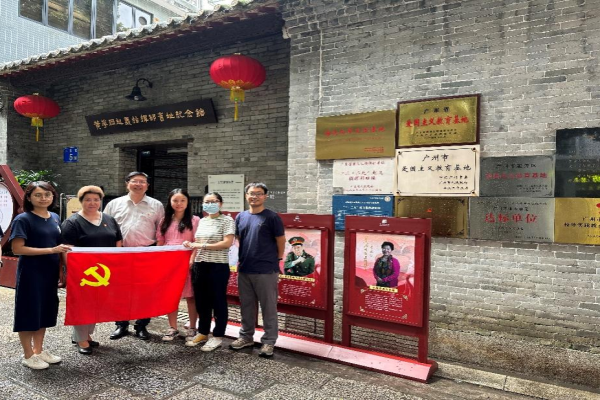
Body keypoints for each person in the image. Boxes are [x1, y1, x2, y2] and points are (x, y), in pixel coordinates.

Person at [10, 181, 72, 370]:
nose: (43, 198)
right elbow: (17, 249)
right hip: (31, 272)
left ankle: (39, 350)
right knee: (28, 311)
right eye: (38, 195)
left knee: (44, 310)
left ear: (53, 197)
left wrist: (64, 268)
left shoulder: (54, 217)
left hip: (49, 272)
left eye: (47, 194)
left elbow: (60, 246)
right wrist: (51, 250)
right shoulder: (23, 219)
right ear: (29, 197)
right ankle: (28, 355)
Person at [61, 186, 122, 355]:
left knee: (96, 304)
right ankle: (80, 338)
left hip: (104, 272)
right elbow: (67, 249)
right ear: (81, 201)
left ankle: (86, 334)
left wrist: (116, 263)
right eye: (88, 199)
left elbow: (118, 241)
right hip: (84, 273)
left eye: (96, 199)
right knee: (82, 304)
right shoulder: (72, 222)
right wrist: (72, 270)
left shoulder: (109, 219)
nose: (92, 203)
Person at [104, 171, 164, 340]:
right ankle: (121, 324)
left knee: (145, 291)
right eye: (135, 181)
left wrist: (158, 253)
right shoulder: (114, 204)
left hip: (147, 252)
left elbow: (161, 231)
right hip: (121, 252)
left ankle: (142, 325)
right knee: (120, 290)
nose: (138, 184)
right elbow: (106, 227)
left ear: (147, 185)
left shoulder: (156, 205)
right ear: (127, 183)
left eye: (142, 181)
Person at [229, 183, 285, 358]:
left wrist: (277, 260)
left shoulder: (272, 217)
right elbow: (239, 238)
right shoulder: (241, 217)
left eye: (259, 194)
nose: (255, 196)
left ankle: (269, 341)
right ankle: (246, 337)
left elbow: (281, 240)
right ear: (246, 195)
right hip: (245, 268)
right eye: (251, 193)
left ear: (265, 196)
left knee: (268, 307)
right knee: (246, 305)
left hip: (266, 269)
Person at [183, 192, 234, 351]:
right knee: (201, 300)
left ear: (220, 203)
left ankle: (217, 336)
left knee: (218, 301)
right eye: (207, 202)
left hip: (218, 265)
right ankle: (203, 332)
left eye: (214, 201)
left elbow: (227, 243)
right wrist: (192, 249)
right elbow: (197, 242)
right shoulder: (203, 221)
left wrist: (201, 246)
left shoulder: (227, 220)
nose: (210, 204)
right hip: (200, 265)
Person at [156, 189, 200, 342]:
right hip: (169, 262)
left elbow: (197, 242)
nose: (179, 204)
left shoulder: (195, 220)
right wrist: (159, 261)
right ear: (170, 202)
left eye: (182, 200)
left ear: (187, 202)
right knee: (171, 295)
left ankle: (192, 327)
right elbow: (160, 242)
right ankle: (173, 327)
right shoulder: (164, 220)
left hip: (187, 261)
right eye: (175, 200)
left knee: (191, 296)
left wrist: (192, 259)